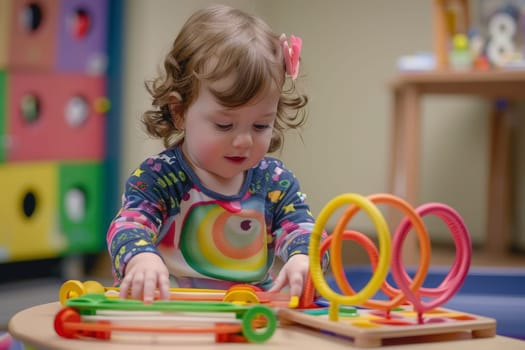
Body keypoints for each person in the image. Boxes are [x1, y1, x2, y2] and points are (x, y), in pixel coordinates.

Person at [106, 4, 327, 303]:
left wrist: (304, 258)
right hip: (170, 314)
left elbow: (304, 229)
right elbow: (128, 225)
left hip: (247, 316)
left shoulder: (276, 182)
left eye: (261, 125)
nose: (244, 141)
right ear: (179, 111)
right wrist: (140, 257)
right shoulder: (158, 178)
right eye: (225, 125)